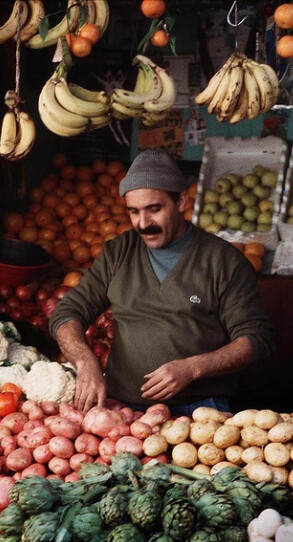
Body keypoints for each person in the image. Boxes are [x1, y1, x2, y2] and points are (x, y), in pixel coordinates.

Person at [49, 148, 274, 415]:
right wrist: (86, 362)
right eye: (134, 212)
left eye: (154, 209)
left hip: (199, 409)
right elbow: (66, 312)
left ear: (180, 202)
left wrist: (192, 368)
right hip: (123, 409)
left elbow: (257, 338)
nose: (143, 223)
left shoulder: (223, 261)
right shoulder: (118, 252)